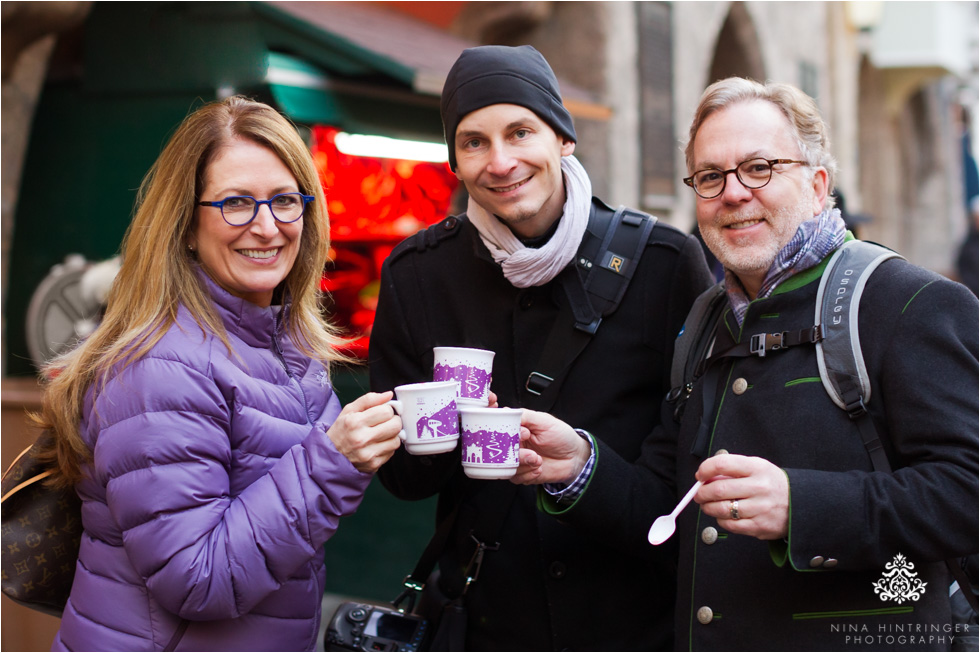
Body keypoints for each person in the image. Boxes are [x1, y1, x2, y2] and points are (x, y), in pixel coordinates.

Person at [515, 78, 979, 650]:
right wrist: (579, 465)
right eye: (711, 177)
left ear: (817, 186)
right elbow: (668, 500)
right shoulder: (707, 318)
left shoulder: (907, 302)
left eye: (759, 168)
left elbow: (968, 493)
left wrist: (800, 506)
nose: (733, 193)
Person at [368, 45, 713, 650]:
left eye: (520, 131)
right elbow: (404, 479)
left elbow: (697, 458)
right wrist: (440, 427)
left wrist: (585, 470)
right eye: (474, 141)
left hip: (631, 618)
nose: (500, 162)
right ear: (454, 160)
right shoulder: (418, 274)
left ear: (563, 139)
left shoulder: (663, 263)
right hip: (484, 620)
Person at [33, 96, 403, 651]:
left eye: (284, 201)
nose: (266, 226)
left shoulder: (285, 344)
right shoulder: (161, 367)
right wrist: (334, 461)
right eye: (235, 203)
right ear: (185, 224)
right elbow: (197, 580)